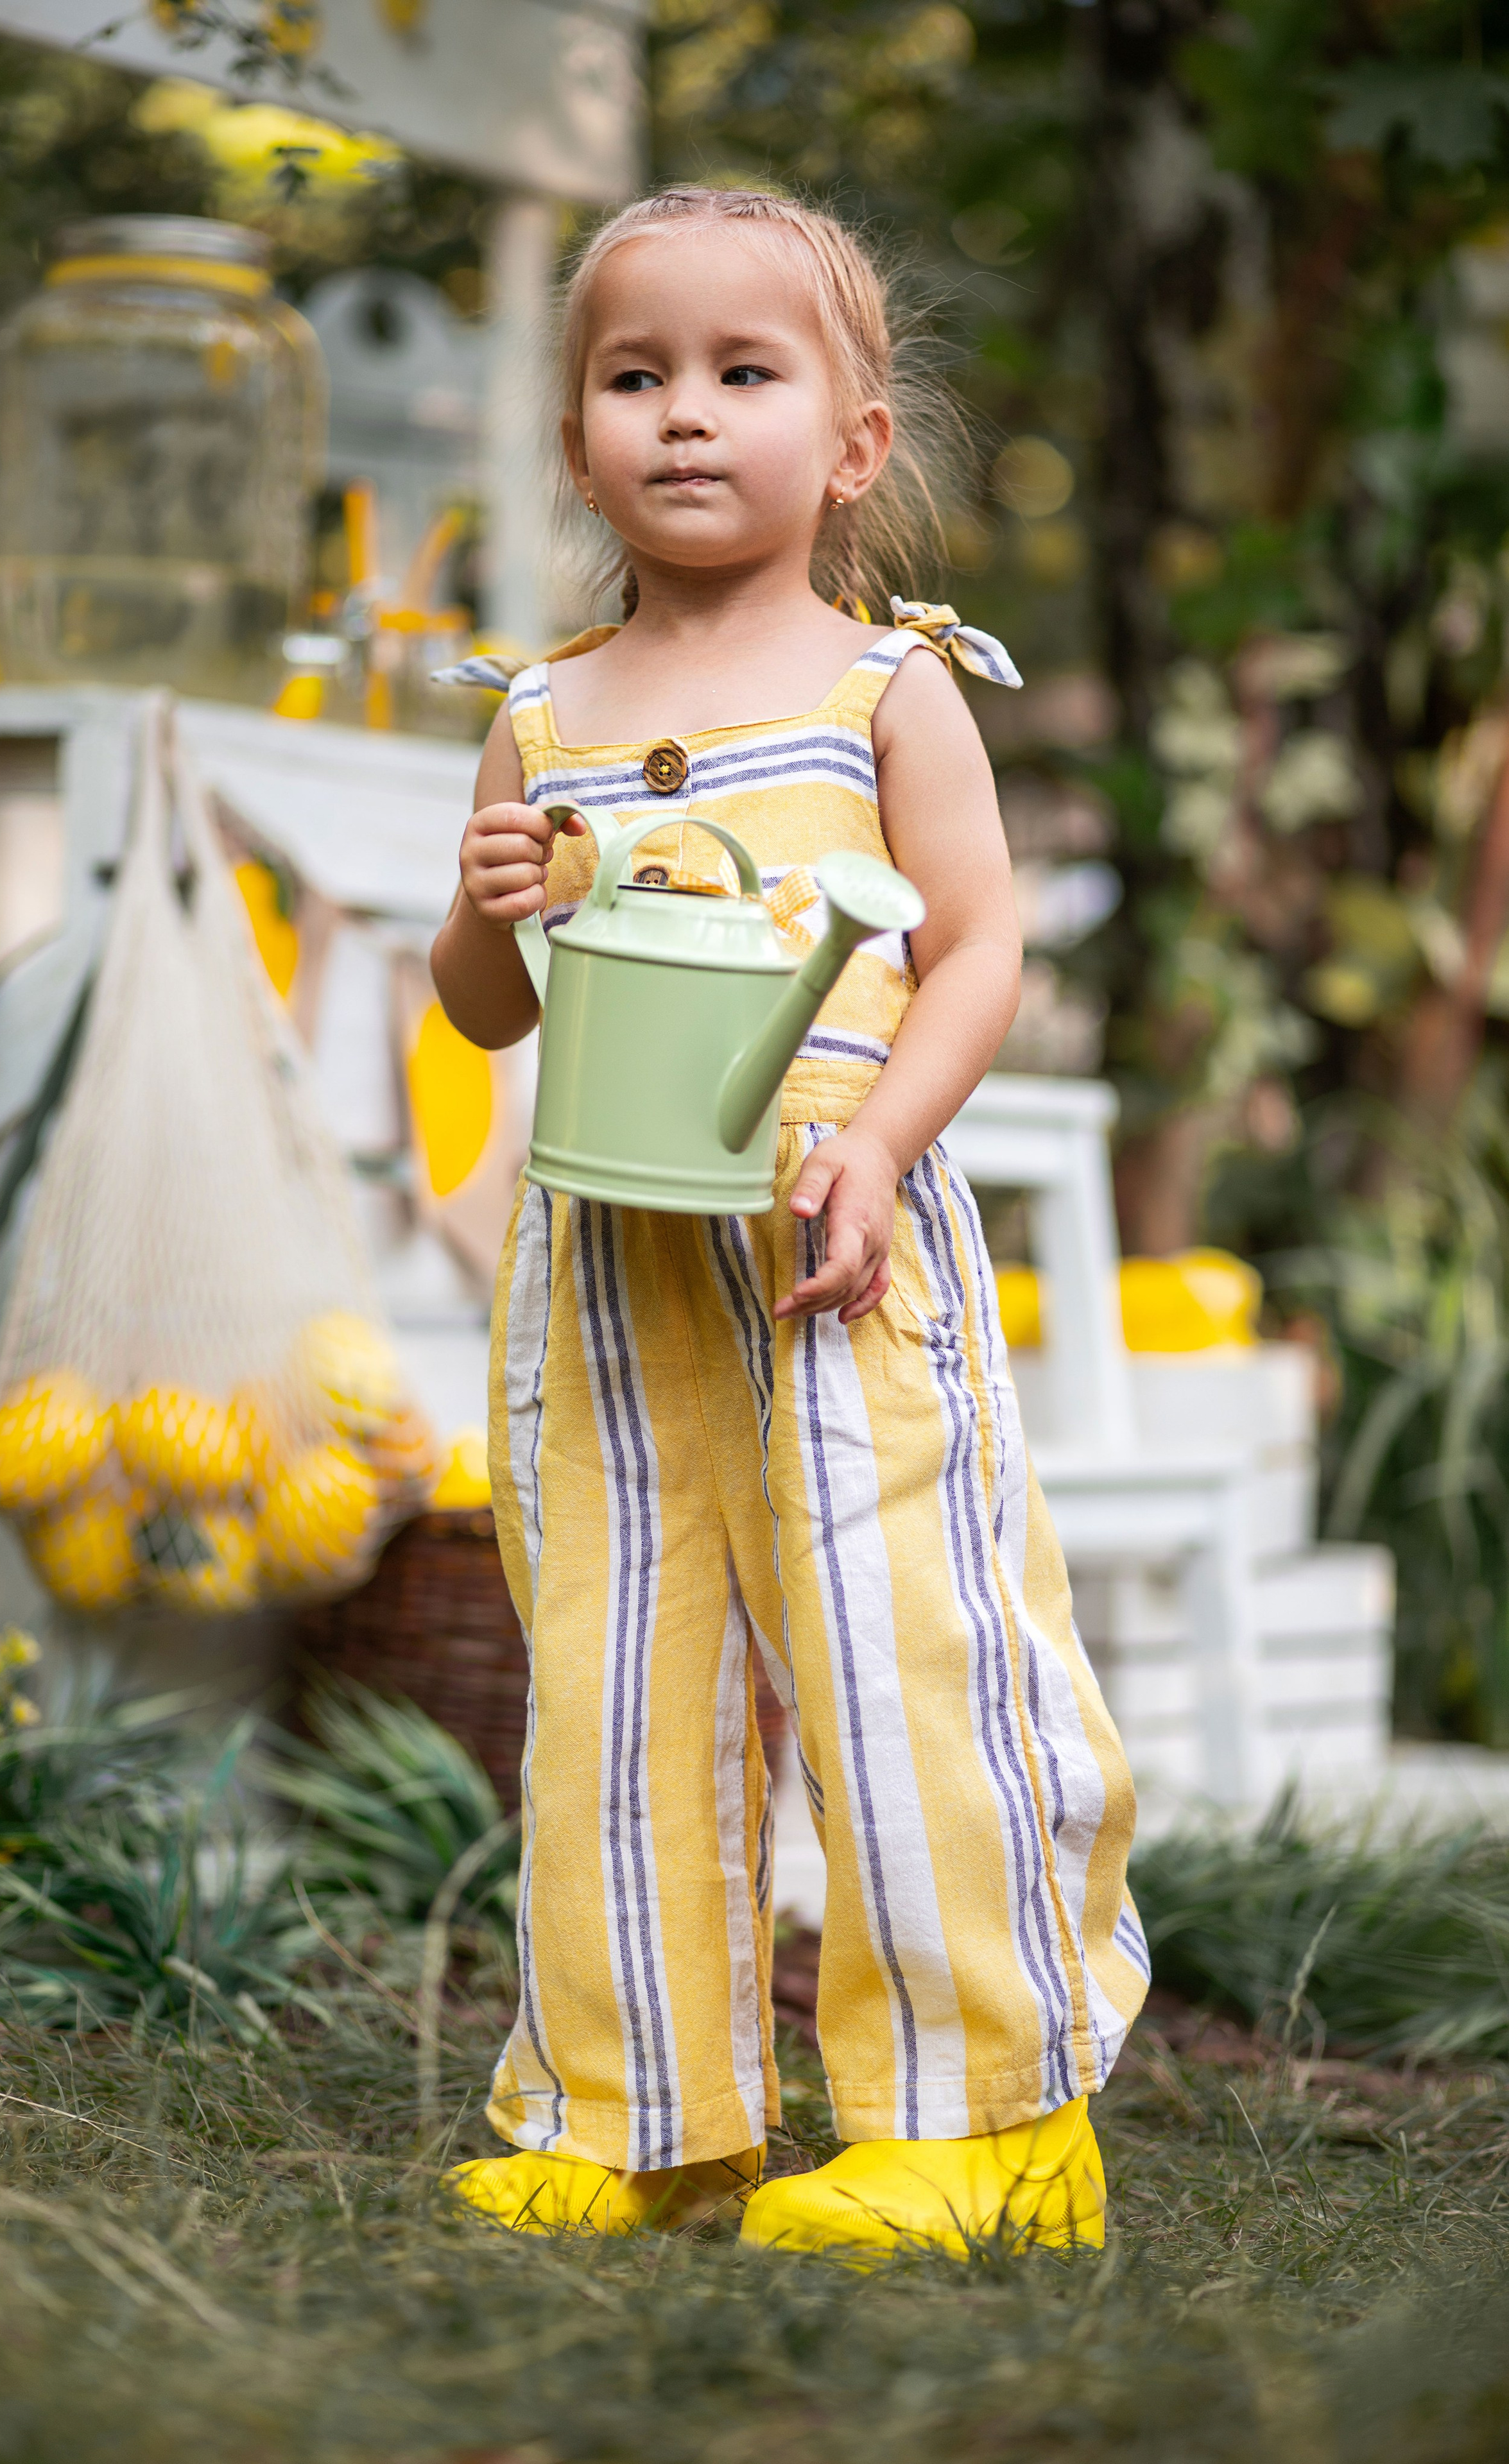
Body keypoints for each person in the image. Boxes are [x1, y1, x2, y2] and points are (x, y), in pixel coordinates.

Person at [428, 185, 1149, 2260]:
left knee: (903, 1653)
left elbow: (978, 945)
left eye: (743, 372)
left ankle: (990, 2119)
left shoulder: (886, 688)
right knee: (615, 1665)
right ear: (578, 442)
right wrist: (487, 907)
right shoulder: (544, 713)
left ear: (851, 444)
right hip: (611, 1261)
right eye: (634, 375)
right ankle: (641, 2108)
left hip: (837, 1238)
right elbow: (483, 1013)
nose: (683, 412)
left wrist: (888, 1145)